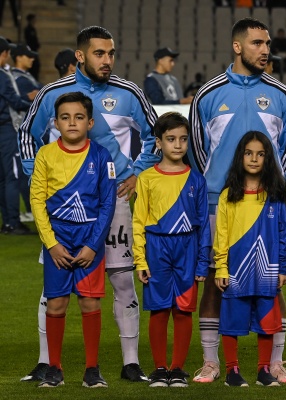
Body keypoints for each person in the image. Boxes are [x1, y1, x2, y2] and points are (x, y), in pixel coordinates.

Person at [19, 25, 158, 383]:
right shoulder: (53, 93)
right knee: (55, 284)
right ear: (80, 55)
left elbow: (156, 135)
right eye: (99, 53)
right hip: (63, 207)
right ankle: (46, 362)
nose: (108, 60)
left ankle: (130, 363)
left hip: (116, 201)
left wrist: (137, 174)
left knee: (123, 279)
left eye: (111, 53)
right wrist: (42, 180)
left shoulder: (129, 92)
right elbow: (26, 136)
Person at [187, 17, 286, 385]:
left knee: (273, 284)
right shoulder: (208, 95)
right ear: (237, 46)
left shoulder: (282, 95)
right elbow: (199, 154)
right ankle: (211, 362)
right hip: (219, 205)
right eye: (256, 43)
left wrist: (271, 188)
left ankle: (275, 364)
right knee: (213, 282)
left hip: (267, 205)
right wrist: (222, 189)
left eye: (267, 44)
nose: (265, 50)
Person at [31, 92, 117, 388]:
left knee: (90, 305)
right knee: (55, 304)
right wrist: (51, 244)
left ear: (90, 122)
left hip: (88, 240)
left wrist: (93, 245)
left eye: (79, 117)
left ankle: (92, 369)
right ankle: (55, 368)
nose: (72, 122)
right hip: (58, 240)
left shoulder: (101, 156)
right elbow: (37, 201)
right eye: (65, 117)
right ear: (55, 122)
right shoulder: (45, 155)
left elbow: (108, 204)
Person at [133, 112, 211, 388]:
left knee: (183, 310)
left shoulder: (197, 180)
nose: (178, 145)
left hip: (187, 248)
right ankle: (158, 368)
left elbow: (203, 225)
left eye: (183, 139)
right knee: (159, 309)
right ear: (158, 142)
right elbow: (139, 220)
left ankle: (177, 368)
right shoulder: (146, 178)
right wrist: (140, 260)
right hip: (157, 247)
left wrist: (203, 262)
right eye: (170, 139)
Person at [214, 130, 286, 387]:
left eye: (260, 154)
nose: (254, 159)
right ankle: (231, 371)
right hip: (236, 270)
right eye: (249, 153)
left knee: (267, 323)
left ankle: (263, 370)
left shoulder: (276, 194)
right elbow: (221, 236)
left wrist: (283, 267)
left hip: (267, 270)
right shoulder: (228, 196)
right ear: (240, 157)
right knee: (232, 321)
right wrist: (221, 268)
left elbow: (282, 234)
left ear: (267, 159)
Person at [0, 36, 33, 236]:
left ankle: (7, 222)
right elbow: (15, 102)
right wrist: (34, 104)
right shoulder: (3, 76)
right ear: (3, 54)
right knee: (12, 177)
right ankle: (13, 222)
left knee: (2, 180)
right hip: (7, 130)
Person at [10, 43, 40, 224]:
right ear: (18, 57)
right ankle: (28, 210)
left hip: (24, 129)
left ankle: (28, 209)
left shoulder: (25, 77)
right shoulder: (18, 79)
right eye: (28, 56)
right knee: (22, 172)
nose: (32, 58)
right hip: (18, 129)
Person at [23, 14, 40, 80]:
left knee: (36, 67)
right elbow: (29, 40)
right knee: (32, 68)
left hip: (35, 51)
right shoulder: (27, 29)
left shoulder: (33, 29)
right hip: (31, 51)